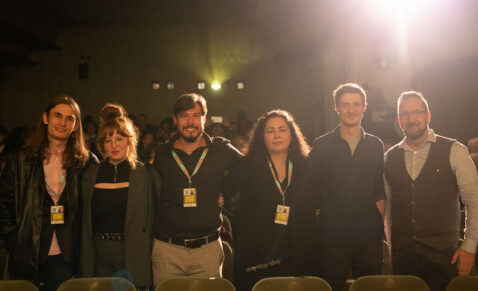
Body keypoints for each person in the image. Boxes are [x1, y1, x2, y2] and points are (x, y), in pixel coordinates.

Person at [0, 96, 98, 291]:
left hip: (68, 256)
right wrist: (17, 243)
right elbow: (3, 207)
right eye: (58, 116)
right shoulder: (19, 159)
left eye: (70, 118)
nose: (63, 122)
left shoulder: (87, 163)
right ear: (45, 118)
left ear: (76, 125)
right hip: (28, 256)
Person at [384, 91, 478, 291]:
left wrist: (469, 248)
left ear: (428, 116)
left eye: (417, 112)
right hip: (403, 256)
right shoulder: (388, 158)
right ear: (400, 121)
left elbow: (474, 201)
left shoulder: (455, 150)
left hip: (444, 256)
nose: (412, 119)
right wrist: (391, 250)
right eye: (406, 114)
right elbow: (389, 209)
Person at [151, 93, 242, 285]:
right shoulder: (162, 153)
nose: (190, 122)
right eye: (184, 116)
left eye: (196, 115)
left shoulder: (221, 149)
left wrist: (224, 191)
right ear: (175, 120)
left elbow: (246, 169)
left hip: (207, 249)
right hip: (167, 250)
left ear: (205, 119)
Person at [302, 83, 386, 291]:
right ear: (336, 108)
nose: (351, 110)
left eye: (356, 104)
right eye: (346, 105)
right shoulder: (321, 145)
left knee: (370, 287)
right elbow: (312, 191)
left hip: (368, 236)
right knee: (330, 288)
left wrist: (378, 227)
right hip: (332, 237)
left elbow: (378, 189)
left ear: (364, 106)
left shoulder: (376, 145)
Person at [79, 104, 157, 290]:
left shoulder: (144, 174)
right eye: (108, 140)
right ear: (101, 144)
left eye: (119, 139)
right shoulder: (90, 174)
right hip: (97, 253)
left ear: (130, 142)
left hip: (131, 252)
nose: (114, 145)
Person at [234, 110, 311, 291]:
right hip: (259, 250)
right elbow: (223, 189)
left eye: (282, 129)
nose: (276, 135)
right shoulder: (248, 166)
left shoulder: (305, 166)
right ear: (262, 137)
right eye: (270, 131)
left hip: (296, 248)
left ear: (292, 135)